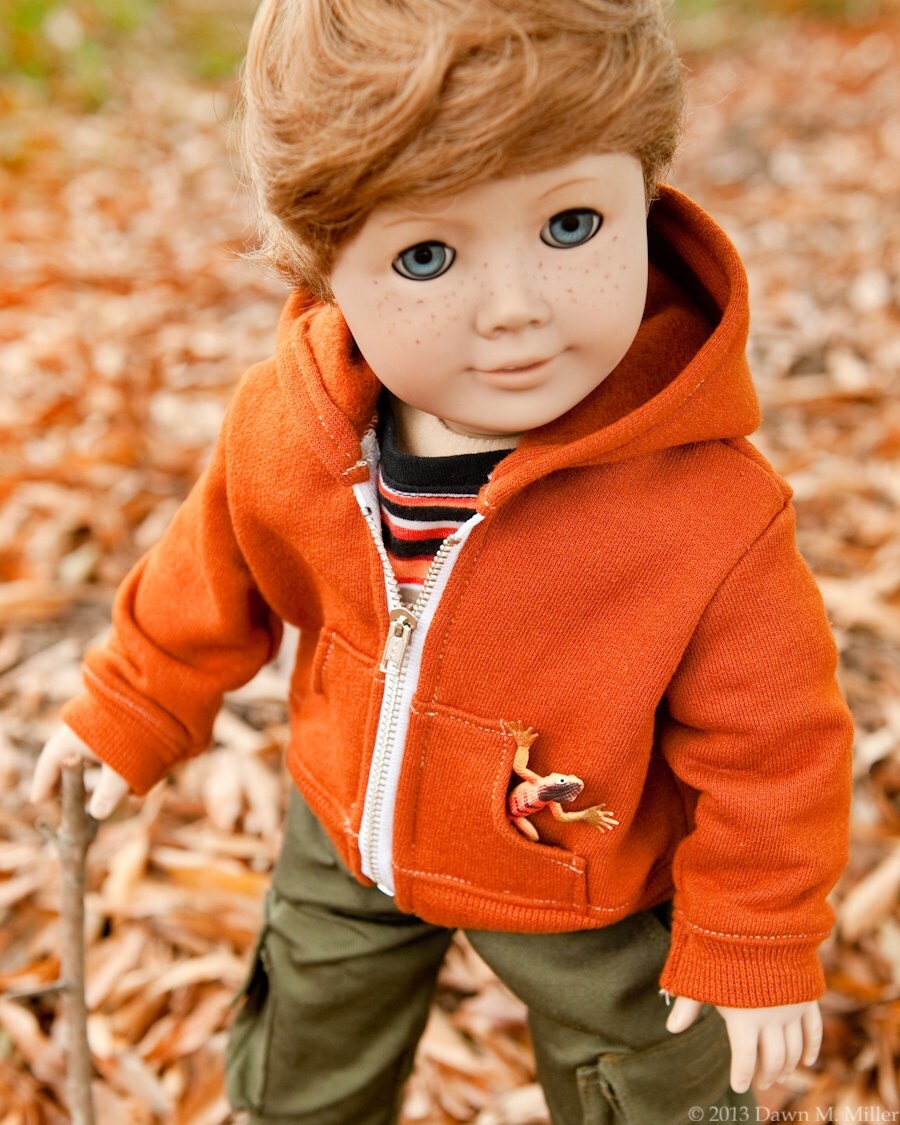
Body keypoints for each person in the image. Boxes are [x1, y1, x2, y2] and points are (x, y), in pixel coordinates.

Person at [31, 1, 854, 1121]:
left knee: (653, 1073)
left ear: (646, 196)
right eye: (427, 255)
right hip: (349, 823)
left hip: (590, 873)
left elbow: (774, 743)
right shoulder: (295, 430)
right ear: (325, 261)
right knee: (307, 1051)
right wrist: (129, 707)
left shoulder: (706, 513)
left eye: (571, 225)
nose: (515, 309)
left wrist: (754, 933)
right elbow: (210, 573)